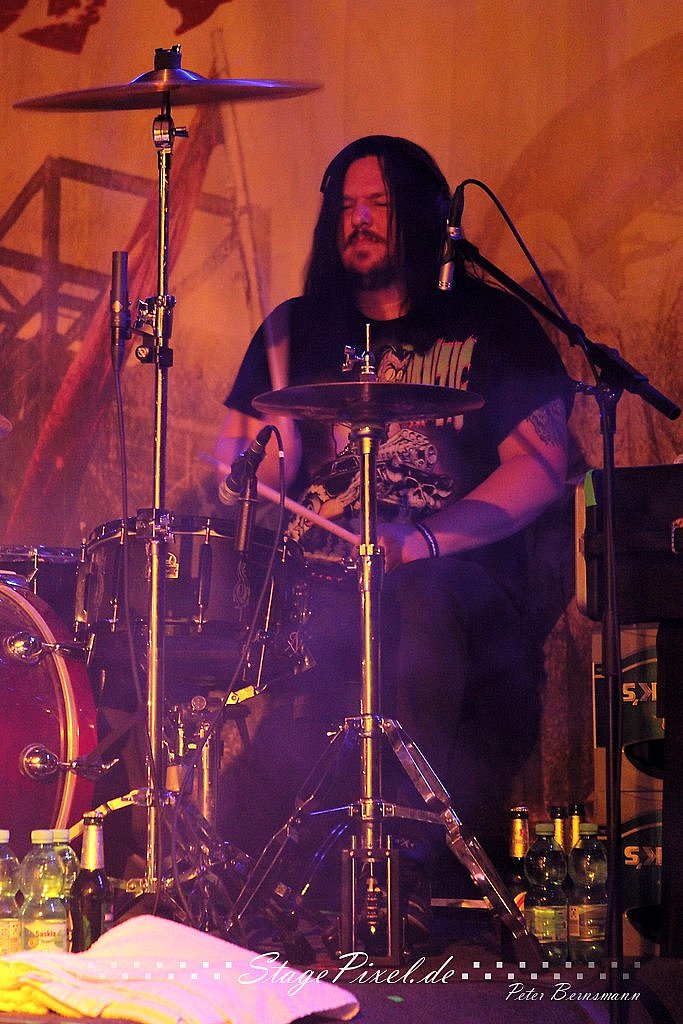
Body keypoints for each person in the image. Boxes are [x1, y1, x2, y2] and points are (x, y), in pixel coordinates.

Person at [213, 135, 572, 884]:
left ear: (425, 214)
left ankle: (406, 854)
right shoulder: (297, 330)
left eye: (378, 203)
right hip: (320, 588)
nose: (360, 220)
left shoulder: (491, 324)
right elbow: (239, 464)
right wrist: (259, 458)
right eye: (347, 206)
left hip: (457, 587)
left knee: (422, 595)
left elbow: (541, 469)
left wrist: (424, 543)